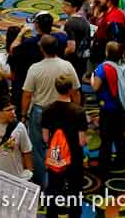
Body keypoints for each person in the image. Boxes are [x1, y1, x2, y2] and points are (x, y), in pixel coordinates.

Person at [21, 34, 80, 184]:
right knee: (64, 144)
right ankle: (62, 179)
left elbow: (27, 95)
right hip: (66, 111)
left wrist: (23, 115)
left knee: (39, 149)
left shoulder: (35, 68)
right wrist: (76, 109)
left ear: (41, 49)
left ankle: (43, 184)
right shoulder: (67, 66)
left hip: (41, 111)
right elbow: (75, 92)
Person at [40, 75, 88, 218]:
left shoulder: (47, 109)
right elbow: (81, 142)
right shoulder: (79, 111)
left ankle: (51, 214)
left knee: (53, 188)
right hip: (74, 157)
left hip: (56, 155)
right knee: (75, 189)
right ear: (71, 89)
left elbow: (45, 138)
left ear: (56, 88)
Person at [91, 41, 125, 182]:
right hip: (122, 106)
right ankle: (121, 160)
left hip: (108, 108)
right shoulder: (124, 66)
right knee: (119, 135)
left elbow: (95, 87)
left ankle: (104, 166)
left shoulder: (103, 68)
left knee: (106, 137)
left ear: (107, 53)